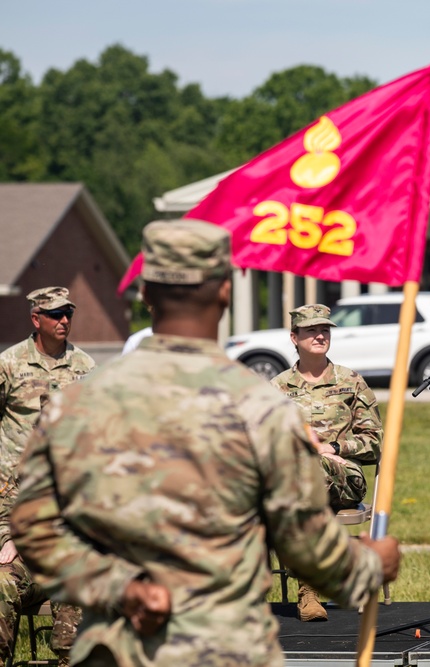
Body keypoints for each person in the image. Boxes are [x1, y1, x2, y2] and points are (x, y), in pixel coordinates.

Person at [10, 219, 400, 666]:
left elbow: (34, 525)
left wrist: (120, 587)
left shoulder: (78, 400)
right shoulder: (260, 408)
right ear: (224, 294)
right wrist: (372, 566)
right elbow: (305, 543)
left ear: (145, 296)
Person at [0, 286, 94, 666]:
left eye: (68, 312)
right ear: (36, 319)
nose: (64, 320)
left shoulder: (85, 369)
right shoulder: (9, 365)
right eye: (55, 314)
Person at [271, 303, 383, 622]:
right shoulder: (277, 388)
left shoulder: (351, 382)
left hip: (345, 479)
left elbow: (374, 442)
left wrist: (335, 446)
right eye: (311, 330)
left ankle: (308, 589)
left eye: (325, 330)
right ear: (294, 337)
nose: (320, 336)